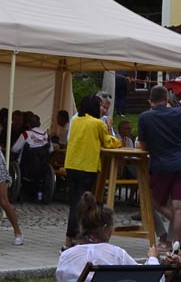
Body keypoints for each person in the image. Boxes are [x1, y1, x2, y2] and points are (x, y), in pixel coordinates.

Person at [137, 84, 181, 248]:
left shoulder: (145, 117)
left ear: (150, 101)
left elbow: (143, 147)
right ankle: (177, 243)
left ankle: (178, 224)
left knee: (155, 202)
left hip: (160, 166)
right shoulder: (178, 113)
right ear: (166, 99)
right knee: (178, 205)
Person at [55, 192, 158, 282]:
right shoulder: (116, 255)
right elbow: (148, 278)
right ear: (105, 228)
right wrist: (153, 259)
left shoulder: (66, 256)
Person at [63, 94, 121, 250]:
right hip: (87, 166)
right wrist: (116, 137)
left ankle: (70, 238)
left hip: (71, 165)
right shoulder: (97, 123)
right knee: (83, 204)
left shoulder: (75, 121)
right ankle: (75, 237)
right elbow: (109, 142)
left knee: (74, 201)